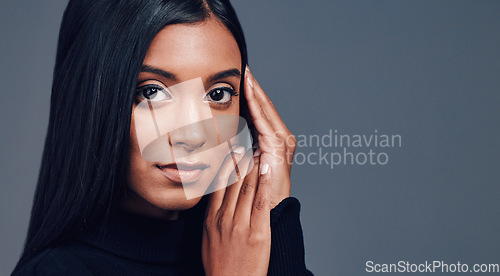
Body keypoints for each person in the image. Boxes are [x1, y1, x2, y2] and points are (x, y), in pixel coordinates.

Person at [12, 0, 312, 275]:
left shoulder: (249, 249)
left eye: (218, 93)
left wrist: (274, 214)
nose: (194, 135)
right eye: (152, 92)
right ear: (93, 98)